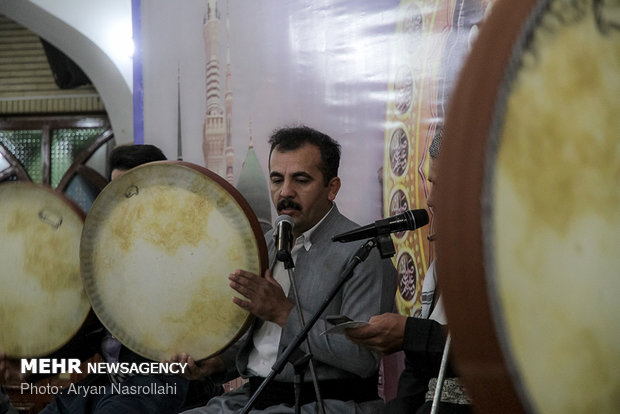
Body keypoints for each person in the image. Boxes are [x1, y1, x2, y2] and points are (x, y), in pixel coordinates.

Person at [174, 125, 398, 413]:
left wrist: (283, 313)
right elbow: (254, 347)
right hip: (253, 397)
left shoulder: (364, 252)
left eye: (301, 180)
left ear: (332, 188)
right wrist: (215, 364)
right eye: (277, 179)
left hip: (326, 403)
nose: (285, 192)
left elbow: (362, 357)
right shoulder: (262, 246)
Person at [1, 144, 221, 413]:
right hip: (112, 379)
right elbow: (94, 338)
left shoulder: (192, 255)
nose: (120, 202)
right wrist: (28, 368)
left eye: (131, 191)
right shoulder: (108, 256)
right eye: (114, 192)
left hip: (165, 381)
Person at [345, 129, 471, 414]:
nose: (431, 200)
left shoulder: (514, 264)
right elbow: (418, 373)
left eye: (444, 186)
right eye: (431, 184)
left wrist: (410, 334)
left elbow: (493, 350)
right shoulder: (442, 266)